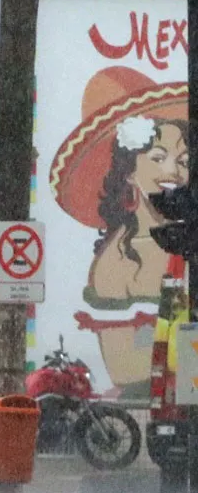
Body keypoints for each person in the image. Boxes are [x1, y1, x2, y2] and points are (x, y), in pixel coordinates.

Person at [50, 66, 190, 396]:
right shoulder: (119, 260)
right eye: (159, 157)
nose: (175, 171)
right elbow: (124, 368)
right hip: (153, 402)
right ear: (128, 172)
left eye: (183, 160)